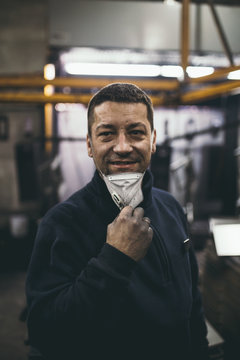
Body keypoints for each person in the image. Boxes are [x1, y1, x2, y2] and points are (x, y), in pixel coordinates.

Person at [26, 83, 209, 360]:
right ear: (89, 144)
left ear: (153, 140)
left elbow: (192, 306)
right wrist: (115, 259)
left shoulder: (171, 208)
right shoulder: (61, 223)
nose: (122, 147)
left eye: (136, 133)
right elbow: (46, 333)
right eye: (107, 134)